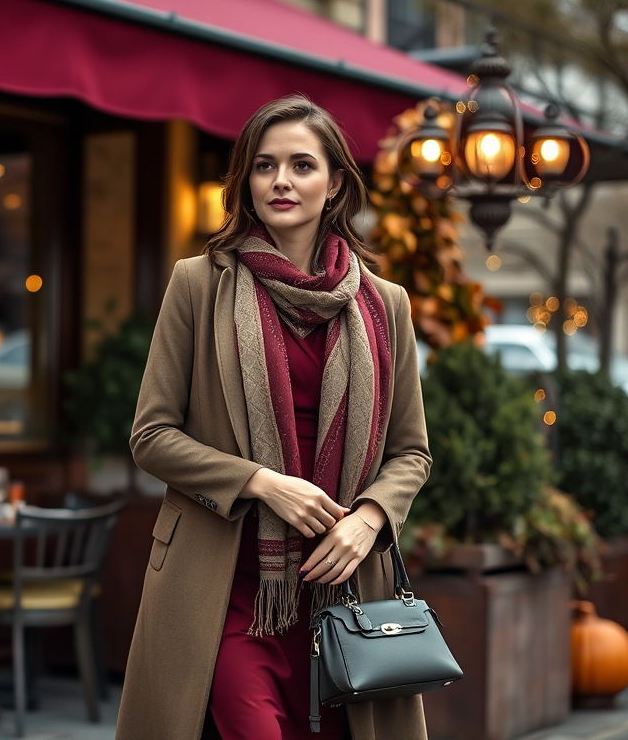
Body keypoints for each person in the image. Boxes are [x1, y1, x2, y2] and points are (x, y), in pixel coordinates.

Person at [115, 96, 432, 740]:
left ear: (336, 181)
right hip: (226, 587)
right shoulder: (199, 284)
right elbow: (151, 436)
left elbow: (411, 452)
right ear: (245, 180)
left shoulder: (385, 304)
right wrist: (262, 483)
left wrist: (368, 521)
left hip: (342, 589)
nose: (281, 180)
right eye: (264, 166)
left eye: (301, 164)